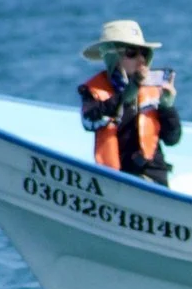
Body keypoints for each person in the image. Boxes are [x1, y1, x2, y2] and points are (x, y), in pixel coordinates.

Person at [77, 19, 181, 185]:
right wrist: (127, 94)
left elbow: (172, 139)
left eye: (144, 53)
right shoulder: (94, 92)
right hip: (115, 181)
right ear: (112, 56)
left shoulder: (154, 90)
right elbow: (89, 121)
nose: (141, 59)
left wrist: (167, 107)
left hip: (154, 179)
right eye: (132, 53)